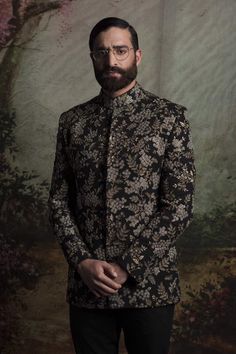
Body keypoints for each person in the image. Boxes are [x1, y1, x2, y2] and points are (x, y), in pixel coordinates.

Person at [48, 17, 196, 354]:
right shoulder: (72, 122)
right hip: (89, 288)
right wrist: (82, 262)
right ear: (92, 58)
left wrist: (128, 265)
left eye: (120, 50)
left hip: (151, 287)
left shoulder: (169, 118)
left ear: (137, 56)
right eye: (102, 52)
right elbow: (58, 201)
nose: (111, 60)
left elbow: (179, 206)